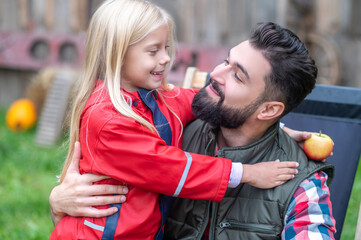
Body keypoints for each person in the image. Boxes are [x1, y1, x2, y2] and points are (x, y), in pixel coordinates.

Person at [49, 1, 299, 239]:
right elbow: (171, 168)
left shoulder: (155, 99)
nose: (166, 58)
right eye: (153, 50)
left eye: (166, 48)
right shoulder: (108, 121)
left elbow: (209, 101)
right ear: (118, 54)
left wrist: (276, 132)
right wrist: (246, 173)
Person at [163, 22, 336, 239]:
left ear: (269, 110)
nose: (215, 73)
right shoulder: (172, 132)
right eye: (226, 61)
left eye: (237, 76)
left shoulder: (301, 182)